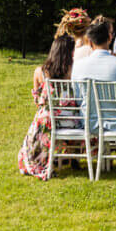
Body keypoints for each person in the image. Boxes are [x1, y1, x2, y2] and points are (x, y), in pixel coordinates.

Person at [18, 35, 75, 180]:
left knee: (42, 116)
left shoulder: (40, 72)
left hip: (48, 121)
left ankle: (39, 158)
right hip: (71, 120)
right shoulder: (73, 70)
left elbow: (37, 101)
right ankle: (70, 157)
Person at [71, 20, 116, 133]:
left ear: (90, 42)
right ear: (110, 38)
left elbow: (79, 99)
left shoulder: (78, 66)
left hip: (89, 124)